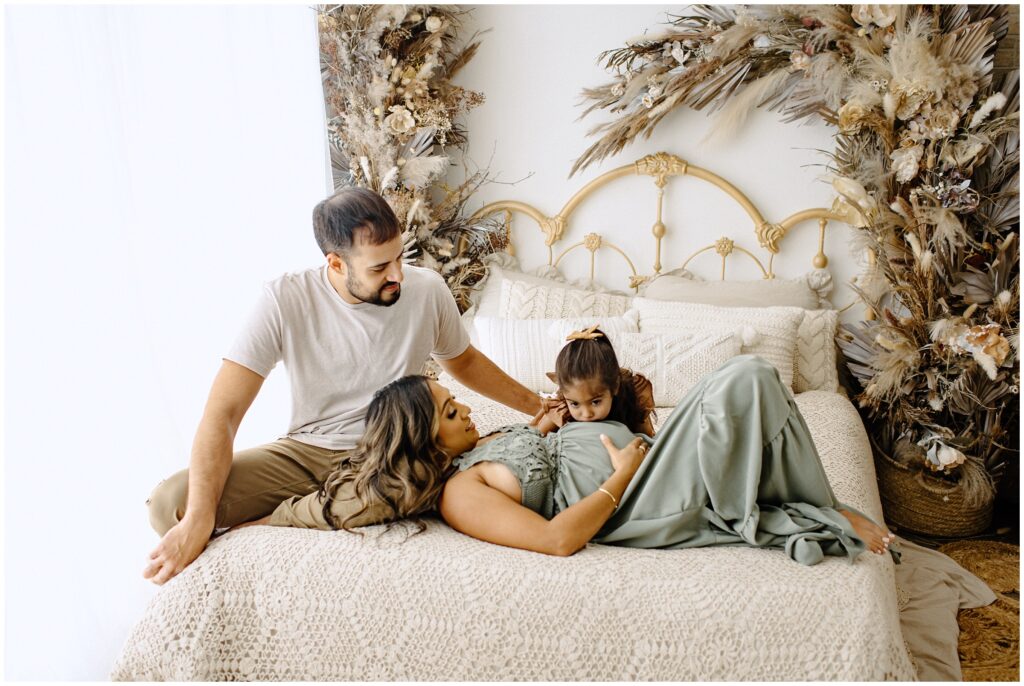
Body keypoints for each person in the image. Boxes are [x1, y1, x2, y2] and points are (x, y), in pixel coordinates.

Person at [143, 187, 543, 585]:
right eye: (379, 267)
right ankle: (319, 506)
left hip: (396, 450)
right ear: (335, 264)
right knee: (170, 504)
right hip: (309, 450)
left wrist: (540, 407)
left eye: (400, 257)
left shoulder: (427, 290)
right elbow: (222, 414)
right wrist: (198, 519)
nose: (397, 275)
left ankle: (289, 516)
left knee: (402, 484)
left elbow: (464, 360)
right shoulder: (284, 300)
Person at [252, 354, 897, 565]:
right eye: (451, 413)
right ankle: (819, 506)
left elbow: (543, 452)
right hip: (637, 499)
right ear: (422, 442)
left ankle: (806, 501)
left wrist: (550, 426)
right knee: (747, 380)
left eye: (455, 401)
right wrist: (618, 477)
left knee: (752, 373)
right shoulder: (458, 494)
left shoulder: (480, 445)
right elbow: (557, 540)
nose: (467, 411)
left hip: (648, 461)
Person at [531, 325, 655, 436]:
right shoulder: (561, 407)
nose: (586, 414)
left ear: (615, 386)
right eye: (575, 404)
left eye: (595, 402)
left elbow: (649, 441)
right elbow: (535, 440)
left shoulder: (632, 398)